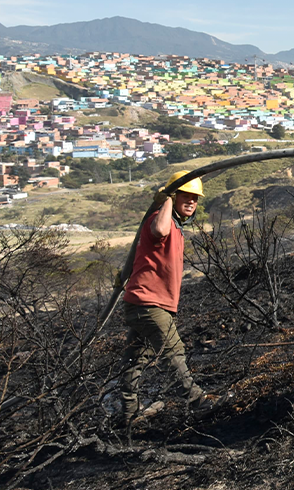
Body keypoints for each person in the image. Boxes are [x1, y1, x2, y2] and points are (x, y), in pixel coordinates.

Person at [116, 170, 211, 428]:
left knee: (135, 358)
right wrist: (166, 199)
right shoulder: (160, 221)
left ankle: (128, 414)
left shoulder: (177, 228)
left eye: (195, 198)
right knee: (173, 350)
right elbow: (159, 229)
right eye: (185, 196)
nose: (191, 202)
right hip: (148, 304)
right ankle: (198, 401)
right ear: (174, 196)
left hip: (147, 304)